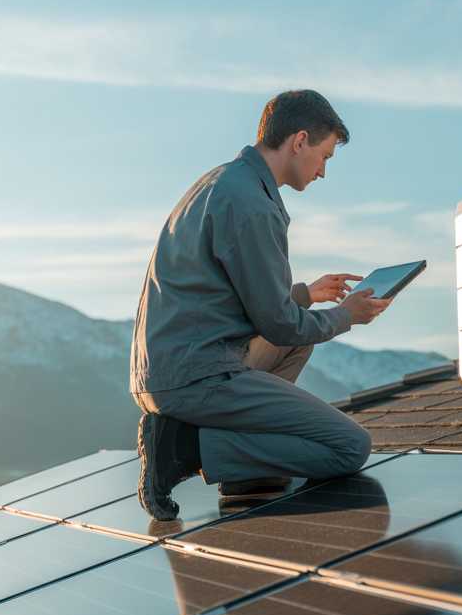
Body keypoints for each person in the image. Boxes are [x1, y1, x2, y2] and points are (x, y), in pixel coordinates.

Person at [129, 90, 392, 521]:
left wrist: (307, 294)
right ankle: (183, 447)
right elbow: (280, 325)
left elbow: (231, 296)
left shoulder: (221, 182)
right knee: (349, 447)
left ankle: (244, 473)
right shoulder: (254, 205)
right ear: (300, 140)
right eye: (324, 156)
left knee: (300, 339)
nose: (323, 171)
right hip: (195, 375)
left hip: (168, 367)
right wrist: (349, 316)